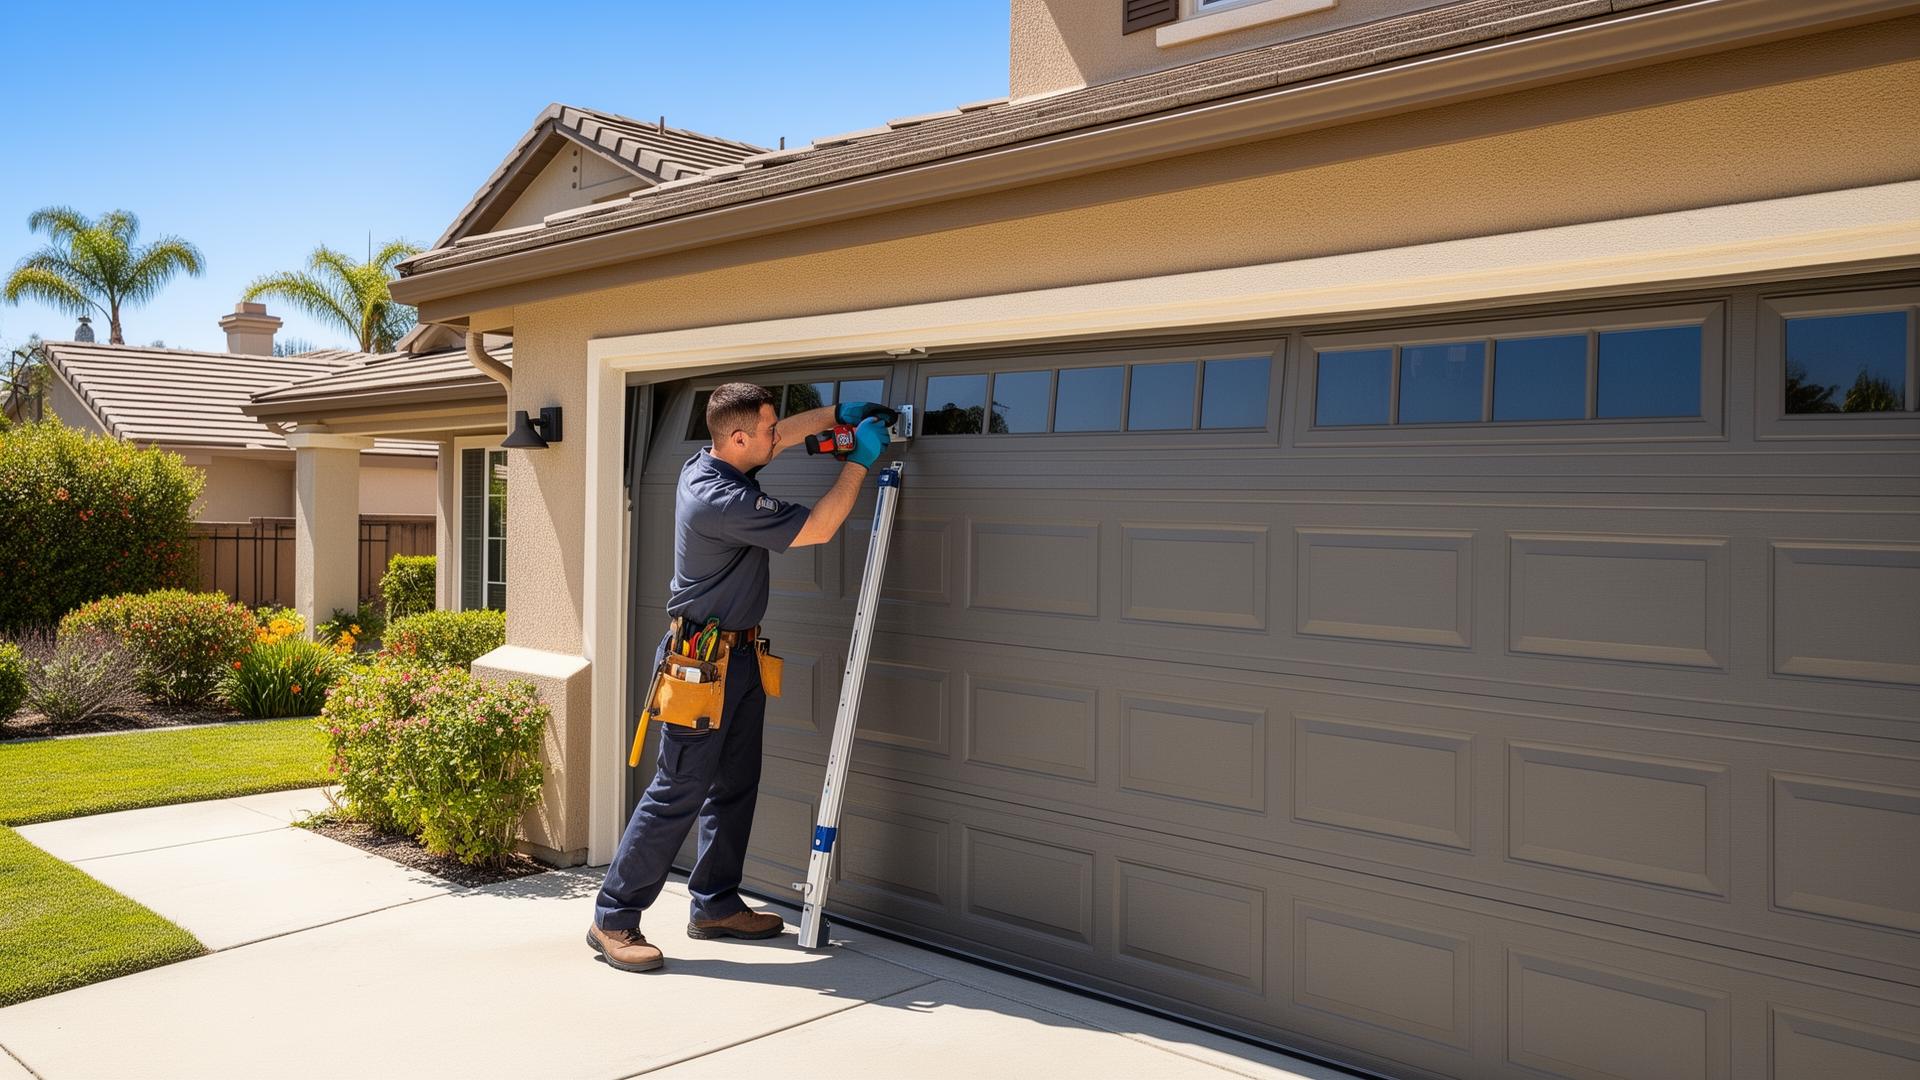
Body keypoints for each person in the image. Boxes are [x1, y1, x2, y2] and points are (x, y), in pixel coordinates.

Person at [587, 382, 894, 972]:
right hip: (701, 666)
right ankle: (614, 917)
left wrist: (837, 415)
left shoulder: (713, 459)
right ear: (737, 438)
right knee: (677, 791)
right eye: (768, 430)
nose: (779, 436)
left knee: (735, 784)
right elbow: (819, 528)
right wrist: (858, 463)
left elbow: (781, 438)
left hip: (743, 658)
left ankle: (715, 904)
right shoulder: (719, 499)